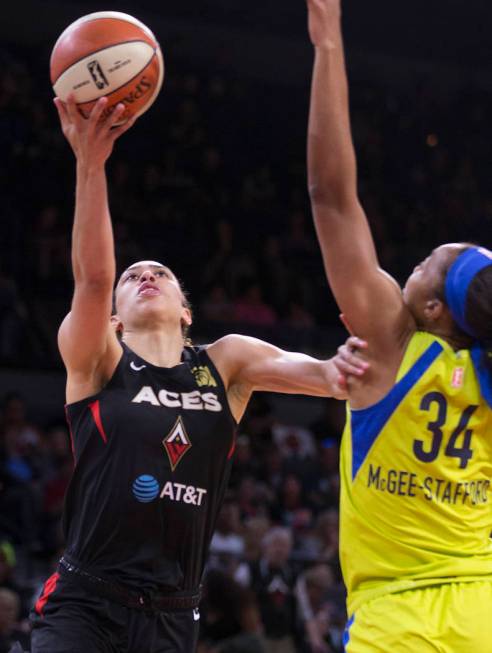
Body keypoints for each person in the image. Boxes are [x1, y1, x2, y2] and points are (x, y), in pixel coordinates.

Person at [29, 96, 366, 653]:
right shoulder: (97, 358)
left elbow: (318, 373)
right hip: (85, 602)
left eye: (161, 273)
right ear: (113, 317)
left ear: (187, 310)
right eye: (134, 275)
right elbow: (91, 278)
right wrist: (90, 164)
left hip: (173, 613)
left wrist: (343, 367)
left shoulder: (225, 361)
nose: (147, 276)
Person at [305, 0, 492, 651]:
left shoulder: (389, 340)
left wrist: (328, 40)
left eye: (419, 266)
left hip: (398, 615)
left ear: (435, 310)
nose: (407, 268)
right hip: (483, 605)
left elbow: (331, 195)